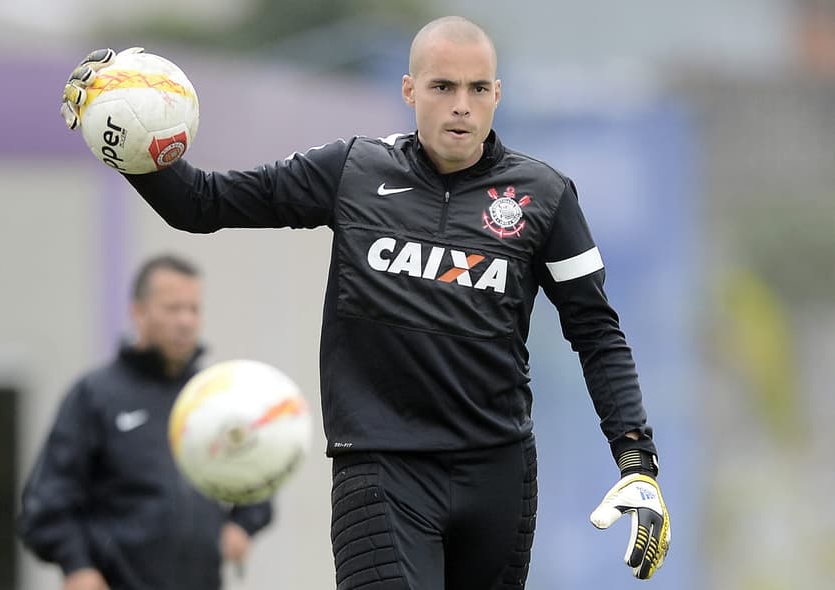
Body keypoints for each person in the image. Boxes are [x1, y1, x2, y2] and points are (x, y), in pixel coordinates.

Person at [59, 16, 670, 589]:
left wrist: (636, 462)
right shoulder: (352, 170)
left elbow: (596, 333)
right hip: (380, 469)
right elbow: (201, 204)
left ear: (497, 94)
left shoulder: (546, 196)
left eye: (478, 87)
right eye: (443, 85)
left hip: (499, 474)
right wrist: (126, 143)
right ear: (410, 90)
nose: (461, 104)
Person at [17, 254, 274, 590]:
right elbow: (45, 503)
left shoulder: (212, 397)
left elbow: (259, 473)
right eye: (173, 308)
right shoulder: (94, 395)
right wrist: (77, 566)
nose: (186, 321)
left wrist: (243, 524)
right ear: (138, 312)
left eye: (194, 309)